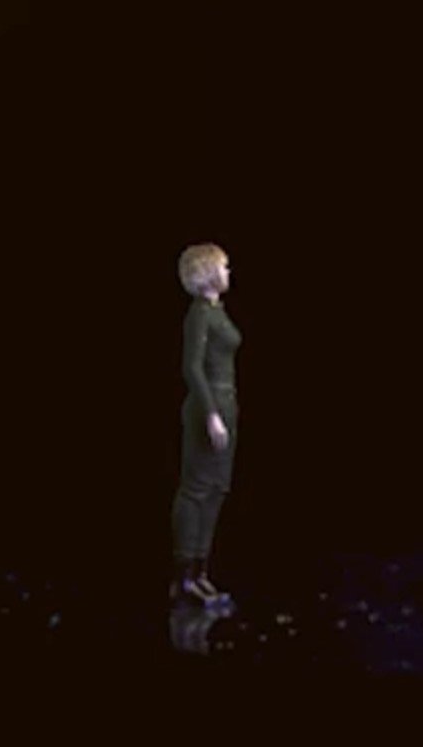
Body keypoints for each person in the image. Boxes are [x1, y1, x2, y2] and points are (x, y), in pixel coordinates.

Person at [170, 243, 242, 607]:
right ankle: (185, 575)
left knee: (216, 489)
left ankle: (200, 571)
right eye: (223, 266)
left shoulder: (216, 312)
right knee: (197, 489)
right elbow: (192, 367)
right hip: (208, 404)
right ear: (208, 272)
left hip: (226, 402)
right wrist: (211, 413)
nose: (228, 272)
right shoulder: (199, 314)